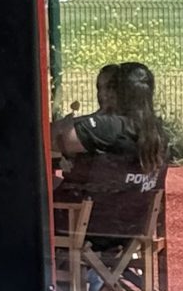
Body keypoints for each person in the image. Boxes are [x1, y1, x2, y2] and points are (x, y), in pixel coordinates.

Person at [52, 61, 167, 241]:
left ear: (120, 93)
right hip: (130, 228)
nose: (104, 94)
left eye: (111, 88)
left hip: (89, 228)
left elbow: (53, 140)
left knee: (36, 186)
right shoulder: (157, 131)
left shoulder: (109, 128)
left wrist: (71, 122)